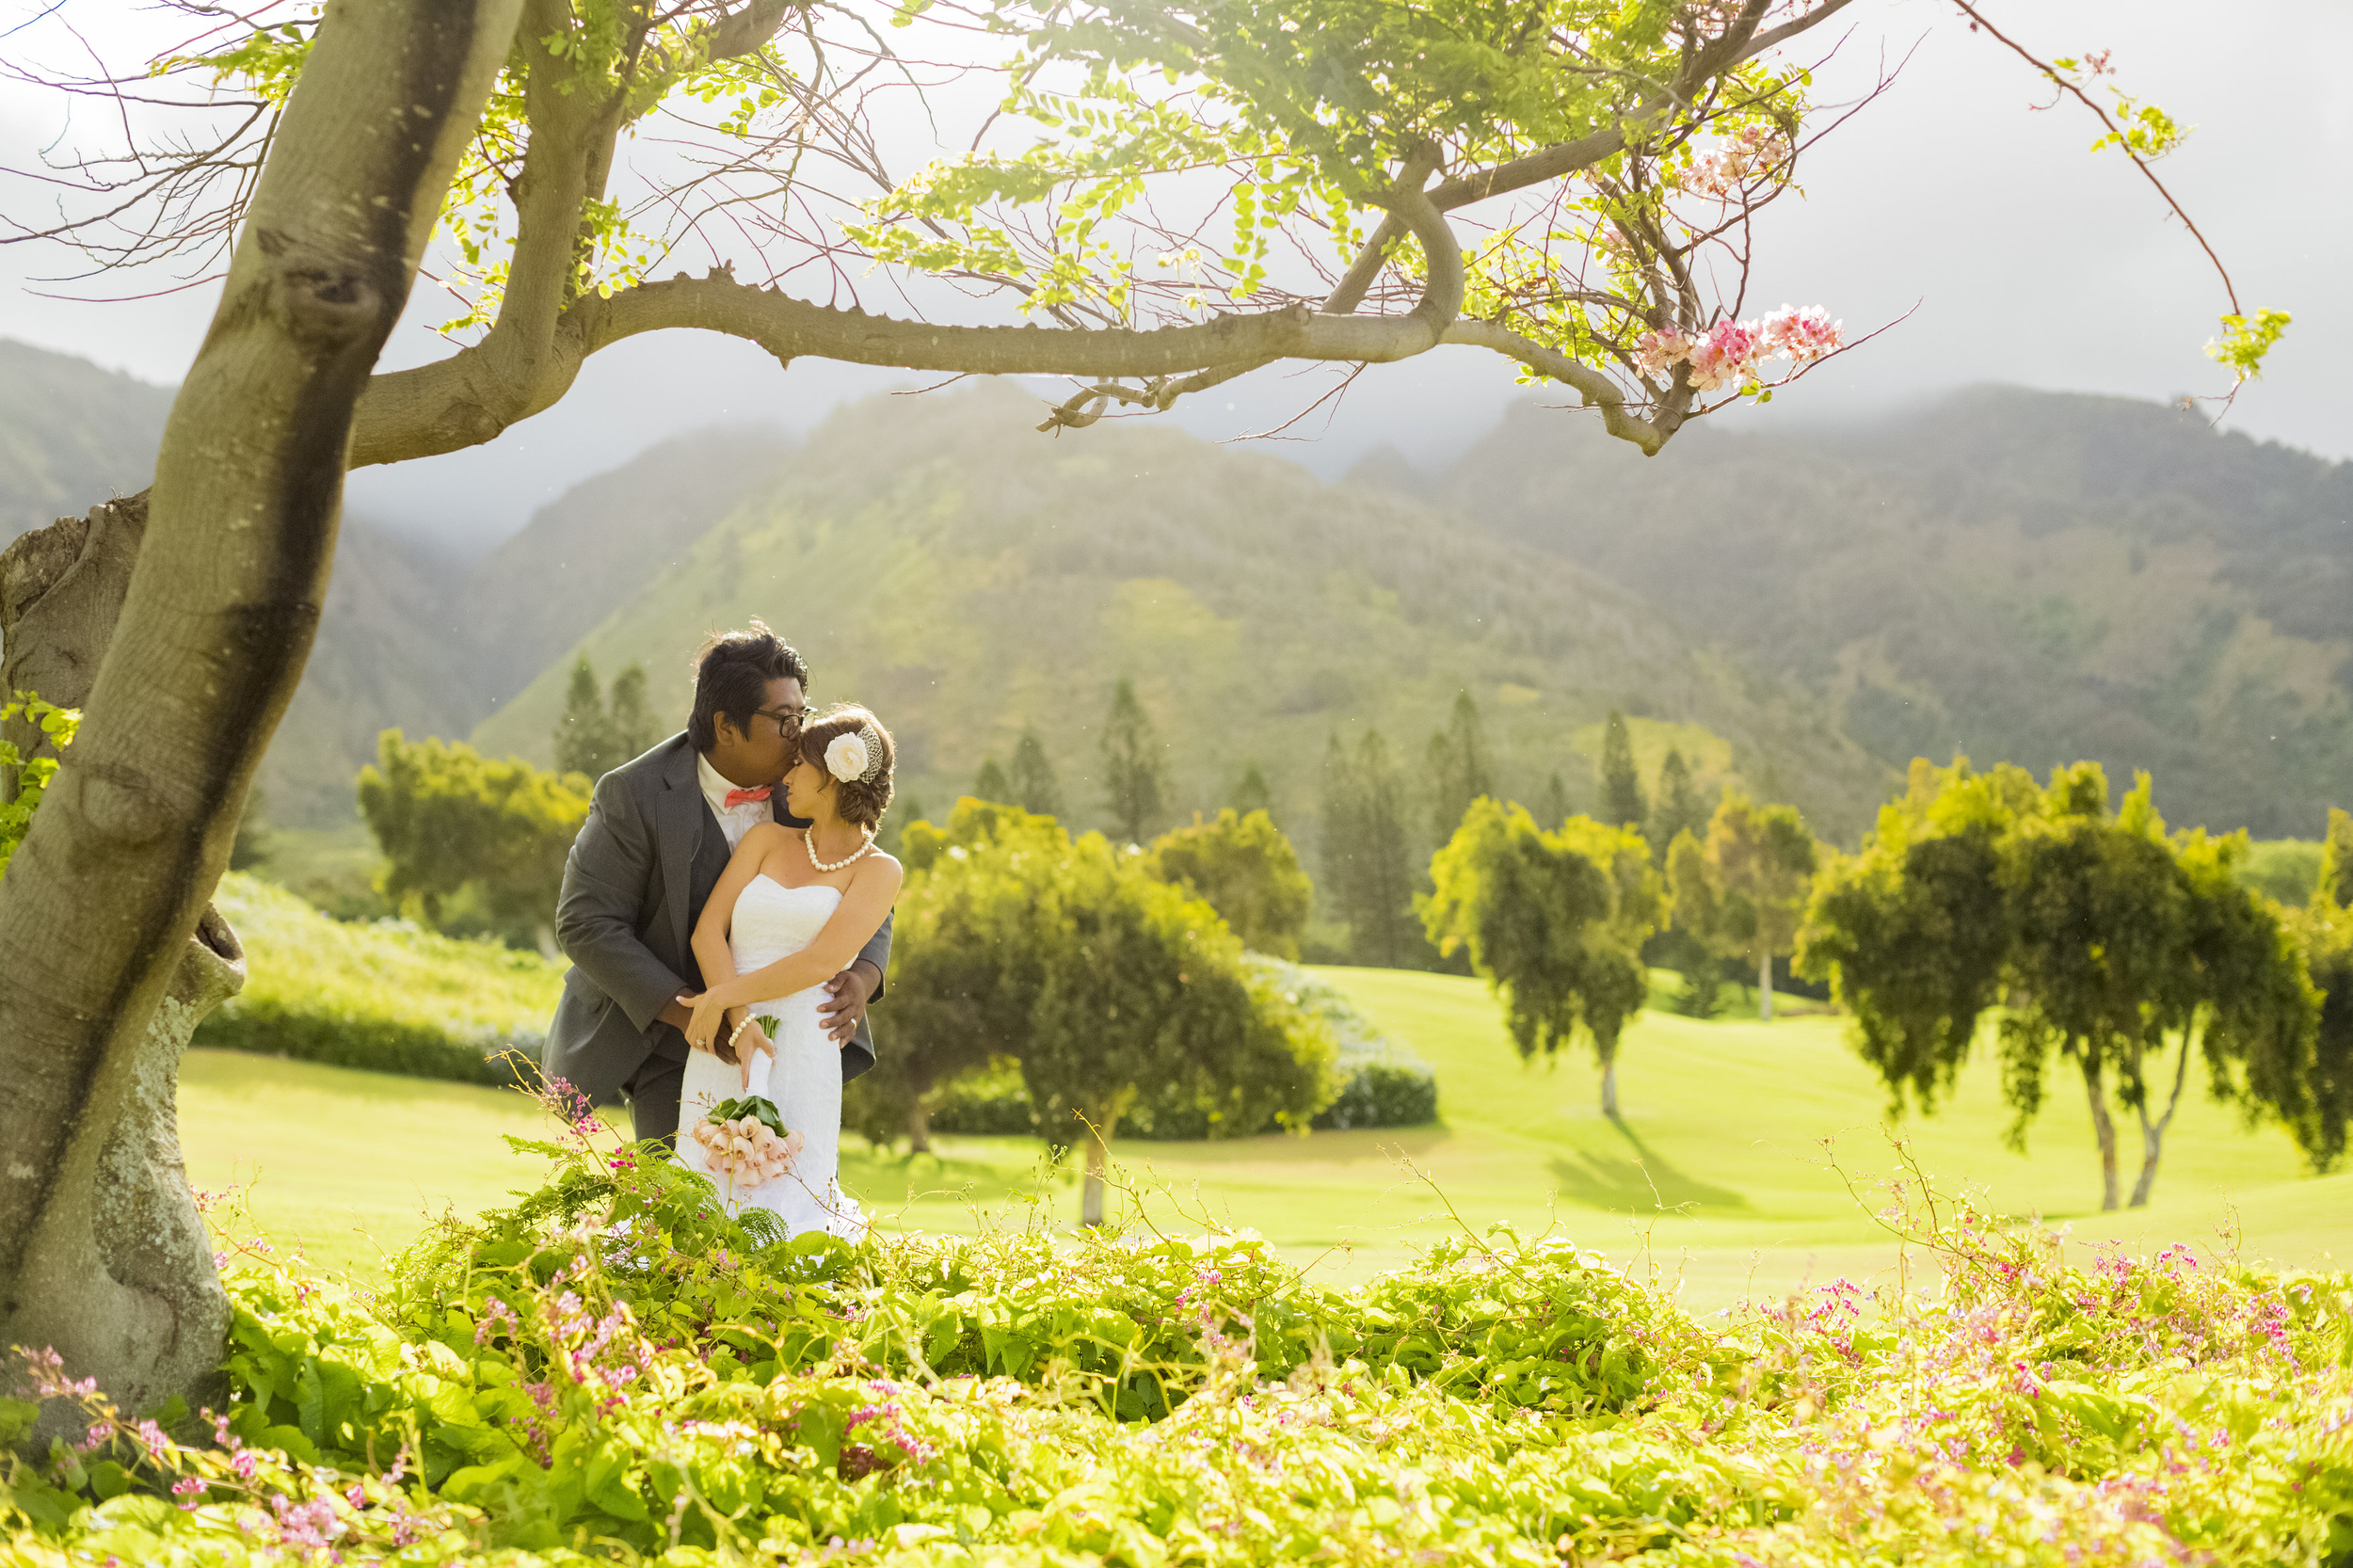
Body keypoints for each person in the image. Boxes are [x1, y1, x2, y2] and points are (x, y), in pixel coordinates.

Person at [544, 624, 891, 1144]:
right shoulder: (631, 795)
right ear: (726, 726)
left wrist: (863, 975)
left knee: (782, 1203)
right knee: (680, 1205)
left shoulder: (809, 786)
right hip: (664, 1032)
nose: (800, 734)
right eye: (783, 720)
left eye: (803, 714)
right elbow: (585, 923)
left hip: (788, 1031)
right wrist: (695, 1013)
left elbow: (861, 868)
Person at [675, 704, 903, 1234]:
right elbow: (707, 933)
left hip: (803, 1047)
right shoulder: (765, 840)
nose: (788, 774)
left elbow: (821, 960)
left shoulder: (879, 871)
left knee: (787, 1210)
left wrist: (719, 998)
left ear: (835, 776)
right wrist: (738, 1018)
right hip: (726, 1046)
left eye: (801, 764)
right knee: (698, 1192)